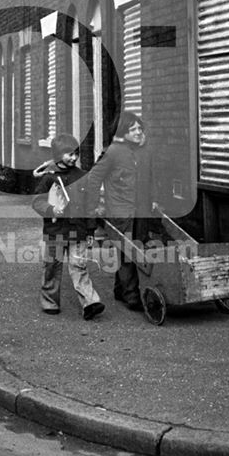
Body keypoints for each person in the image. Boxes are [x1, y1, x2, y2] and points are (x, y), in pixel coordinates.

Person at [31, 133, 105, 320]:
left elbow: (90, 206)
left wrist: (90, 230)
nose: (73, 157)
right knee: (52, 266)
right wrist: (51, 210)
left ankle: (90, 302)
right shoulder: (49, 178)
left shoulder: (82, 177)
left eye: (76, 154)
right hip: (55, 231)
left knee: (78, 265)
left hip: (78, 230)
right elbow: (37, 202)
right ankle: (50, 301)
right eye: (69, 154)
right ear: (57, 154)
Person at [85, 111, 146, 310]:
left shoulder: (135, 151)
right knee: (128, 253)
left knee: (132, 250)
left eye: (139, 128)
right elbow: (93, 178)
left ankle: (121, 289)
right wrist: (95, 205)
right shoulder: (112, 152)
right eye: (133, 129)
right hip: (120, 211)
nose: (138, 132)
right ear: (123, 132)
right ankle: (132, 295)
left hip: (138, 210)